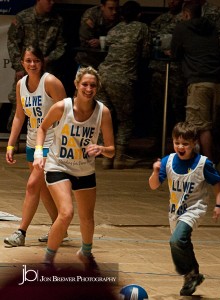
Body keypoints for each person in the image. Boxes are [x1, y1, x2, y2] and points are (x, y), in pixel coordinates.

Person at [33, 66, 115, 268]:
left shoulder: (102, 112)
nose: (88, 89)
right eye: (85, 84)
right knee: (67, 213)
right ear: (77, 85)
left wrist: (101, 148)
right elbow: (42, 128)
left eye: (93, 85)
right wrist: (38, 152)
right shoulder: (62, 107)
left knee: (87, 218)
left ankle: (86, 253)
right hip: (57, 165)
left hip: (84, 169)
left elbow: (112, 150)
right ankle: (48, 260)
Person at [149, 121, 220, 296]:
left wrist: (219, 204)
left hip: (195, 209)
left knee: (176, 240)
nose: (180, 147)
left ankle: (189, 273)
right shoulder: (168, 161)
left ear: (194, 143)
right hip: (175, 211)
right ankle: (193, 275)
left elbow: (217, 182)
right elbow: (153, 186)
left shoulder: (202, 163)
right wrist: (154, 171)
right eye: (177, 143)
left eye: (185, 144)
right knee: (181, 244)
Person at [4, 45, 67, 247]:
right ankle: (60, 228)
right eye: (28, 60)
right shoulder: (21, 84)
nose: (32, 64)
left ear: (42, 62)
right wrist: (11, 144)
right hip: (33, 141)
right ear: (22, 62)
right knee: (42, 190)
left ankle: (21, 232)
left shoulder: (50, 82)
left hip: (52, 143)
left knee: (32, 185)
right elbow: (19, 116)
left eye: (36, 61)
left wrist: (66, 142)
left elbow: (67, 112)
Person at [97, 0, 150, 169]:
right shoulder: (142, 28)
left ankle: (106, 157)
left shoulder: (114, 29)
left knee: (106, 117)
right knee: (125, 119)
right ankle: (119, 158)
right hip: (122, 78)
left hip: (102, 75)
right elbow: (146, 53)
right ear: (139, 15)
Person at [170, 2, 220, 163]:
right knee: (211, 126)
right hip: (219, 84)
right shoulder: (212, 27)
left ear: (186, 14)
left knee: (200, 128)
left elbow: (174, 53)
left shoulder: (182, 27)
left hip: (199, 82)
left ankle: (206, 165)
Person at [7, 0, 66, 133]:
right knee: (18, 105)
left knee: (47, 105)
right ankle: (14, 138)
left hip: (47, 70)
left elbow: (61, 46)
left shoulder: (57, 20)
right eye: (48, 0)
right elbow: (12, 43)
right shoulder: (23, 17)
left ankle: (47, 136)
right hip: (26, 69)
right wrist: (19, 67)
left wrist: (47, 59)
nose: (52, 3)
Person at [149, 0, 186, 155]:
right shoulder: (161, 19)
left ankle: (180, 144)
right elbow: (151, 37)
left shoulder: (185, 18)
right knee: (159, 110)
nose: (172, 2)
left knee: (178, 109)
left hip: (177, 71)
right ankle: (159, 143)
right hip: (159, 70)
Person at [76, 0, 120, 69]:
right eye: (110, 8)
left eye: (116, 8)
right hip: (90, 55)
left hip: (111, 57)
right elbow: (86, 40)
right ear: (102, 7)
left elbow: (121, 40)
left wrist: (102, 42)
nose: (115, 12)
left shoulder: (120, 16)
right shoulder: (91, 14)